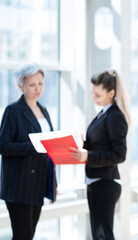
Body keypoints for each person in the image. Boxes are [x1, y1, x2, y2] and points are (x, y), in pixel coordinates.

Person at [70, 70, 130, 240]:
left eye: (98, 94)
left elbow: (119, 155)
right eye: (92, 93)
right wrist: (82, 145)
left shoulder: (115, 117)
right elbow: (100, 145)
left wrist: (88, 155)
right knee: (99, 235)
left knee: (103, 235)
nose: (93, 98)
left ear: (111, 93)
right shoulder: (103, 114)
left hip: (105, 184)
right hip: (96, 183)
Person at [0, 63, 57, 239]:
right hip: (19, 186)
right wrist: (34, 146)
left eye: (41, 83)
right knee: (23, 235)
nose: (37, 88)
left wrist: (53, 184)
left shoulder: (44, 110)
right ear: (20, 86)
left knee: (28, 235)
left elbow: (49, 150)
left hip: (38, 184)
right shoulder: (13, 111)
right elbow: (3, 146)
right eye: (32, 84)